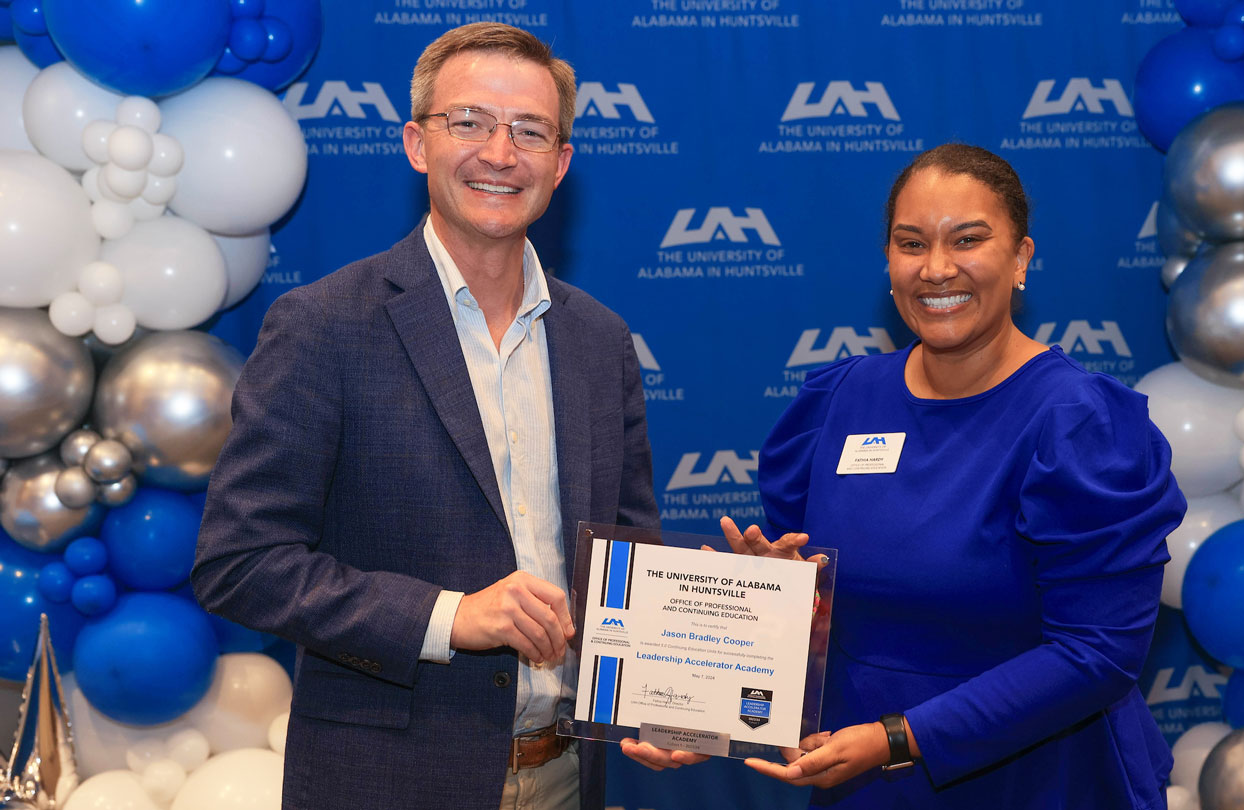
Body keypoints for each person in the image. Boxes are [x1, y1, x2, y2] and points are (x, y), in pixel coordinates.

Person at [630, 143, 1185, 808]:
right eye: (911, 243)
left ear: (1021, 258)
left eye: (969, 239)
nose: (937, 268)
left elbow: (1098, 654)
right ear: (889, 262)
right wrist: (721, 691)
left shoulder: (1080, 424)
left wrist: (899, 739)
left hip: (1036, 779)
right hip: (862, 778)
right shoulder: (838, 400)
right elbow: (825, 620)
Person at [191, 23, 658, 810]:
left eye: (531, 131)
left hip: (569, 779)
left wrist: (670, 690)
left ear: (562, 162)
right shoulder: (325, 325)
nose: (500, 153)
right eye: (469, 122)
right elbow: (240, 563)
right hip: (388, 783)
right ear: (416, 143)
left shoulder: (600, 340)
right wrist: (452, 616)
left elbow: (628, 558)